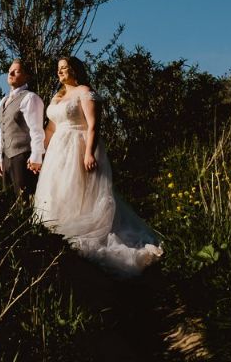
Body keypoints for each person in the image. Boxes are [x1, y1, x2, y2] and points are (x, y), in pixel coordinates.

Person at [33, 56, 163, 277]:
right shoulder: (57, 97)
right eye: (58, 69)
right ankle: (56, 239)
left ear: (75, 70)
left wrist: (89, 153)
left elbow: (93, 125)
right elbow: (51, 129)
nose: (60, 72)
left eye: (64, 68)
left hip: (77, 146)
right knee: (58, 190)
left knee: (80, 191)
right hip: (57, 151)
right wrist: (39, 154)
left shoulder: (84, 91)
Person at [0, 58, 46, 198]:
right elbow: (2, 130)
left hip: (23, 157)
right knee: (8, 201)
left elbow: (36, 130)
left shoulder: (30, 98)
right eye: (9, 71)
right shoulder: (3, 101)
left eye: (16, 71)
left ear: (26, 76)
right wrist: (0, 158)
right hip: (6, 158)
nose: (10, 73)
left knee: (24, 200)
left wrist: (36, 157)